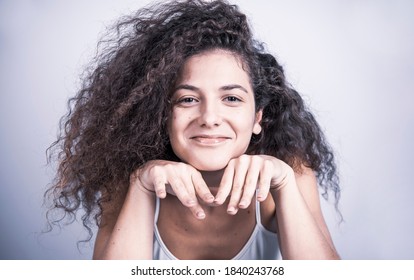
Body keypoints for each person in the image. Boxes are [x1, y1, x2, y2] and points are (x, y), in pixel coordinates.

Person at [46, 0, 341, 260]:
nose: (209, 118)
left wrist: (285, 184)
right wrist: (141, 186)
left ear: (257, 118)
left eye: (232, 98)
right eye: (188, 99)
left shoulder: (290, 171)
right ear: (161, 114)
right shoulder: (125, 179)